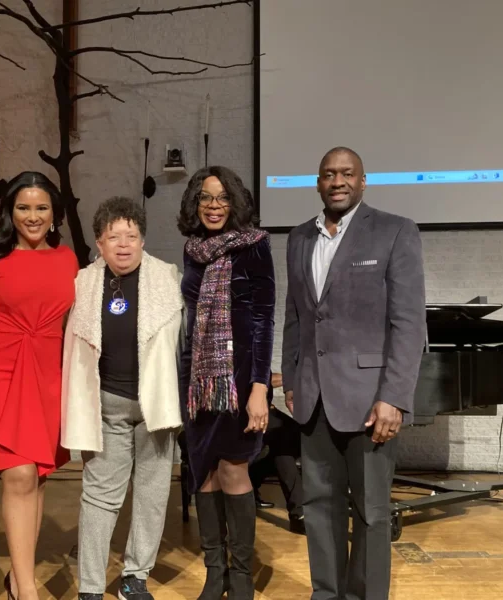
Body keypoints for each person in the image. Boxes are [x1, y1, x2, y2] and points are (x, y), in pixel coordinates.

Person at [282, 147, 426, 600]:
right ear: (318, 183)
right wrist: (291, 378)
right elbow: (296, 316)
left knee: (371, 512)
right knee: (318, 507)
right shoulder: (299, 238)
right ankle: (326, 594)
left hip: (370, 400)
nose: (337, 180)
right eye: (328, 174)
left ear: (363, 181)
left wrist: (395, 397)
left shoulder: (394, 231)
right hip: (313, 397)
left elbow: (408, 323)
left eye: (347, 173)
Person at [0, 171, 79, 600]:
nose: (32, 216)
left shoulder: (66, 259)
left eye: (41, 207)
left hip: (46, 375)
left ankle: (17, 577)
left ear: (55, 213)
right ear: (9, 211)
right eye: (23, 207)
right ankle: (27, 589)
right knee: (19, 475)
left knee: (36, 477)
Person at [60, 197, 184, 600]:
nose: (124, 244)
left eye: (132, 235)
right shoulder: (83, 283)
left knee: (151, 497)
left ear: (143, 238)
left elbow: (183, 344)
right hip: (106, 406)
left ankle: (135, 577)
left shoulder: (168, 278)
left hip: (156, 409)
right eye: (114, 236)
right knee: (99, 498)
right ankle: (91, 588)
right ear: (99, 242)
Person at [178, 165, 275, 600]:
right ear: (194, 204)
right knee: (203, 473)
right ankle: (214, 572)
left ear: (235, 203)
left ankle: (240, 577)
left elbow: (263, 319)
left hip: (239, 380)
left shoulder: (254, 247)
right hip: (198, 381)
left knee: (234, 470)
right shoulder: (192, 250)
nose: (214, 206)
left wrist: (259, 387)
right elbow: (188, 322)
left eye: (222, 198)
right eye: (205, 198)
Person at [249, 372, 305, 535]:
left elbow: (266, 375)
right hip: (244, 410)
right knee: (282, 437)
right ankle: (298, 513)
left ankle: (252, 483)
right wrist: (297, 376)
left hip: (265, 409)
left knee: (298, 434)